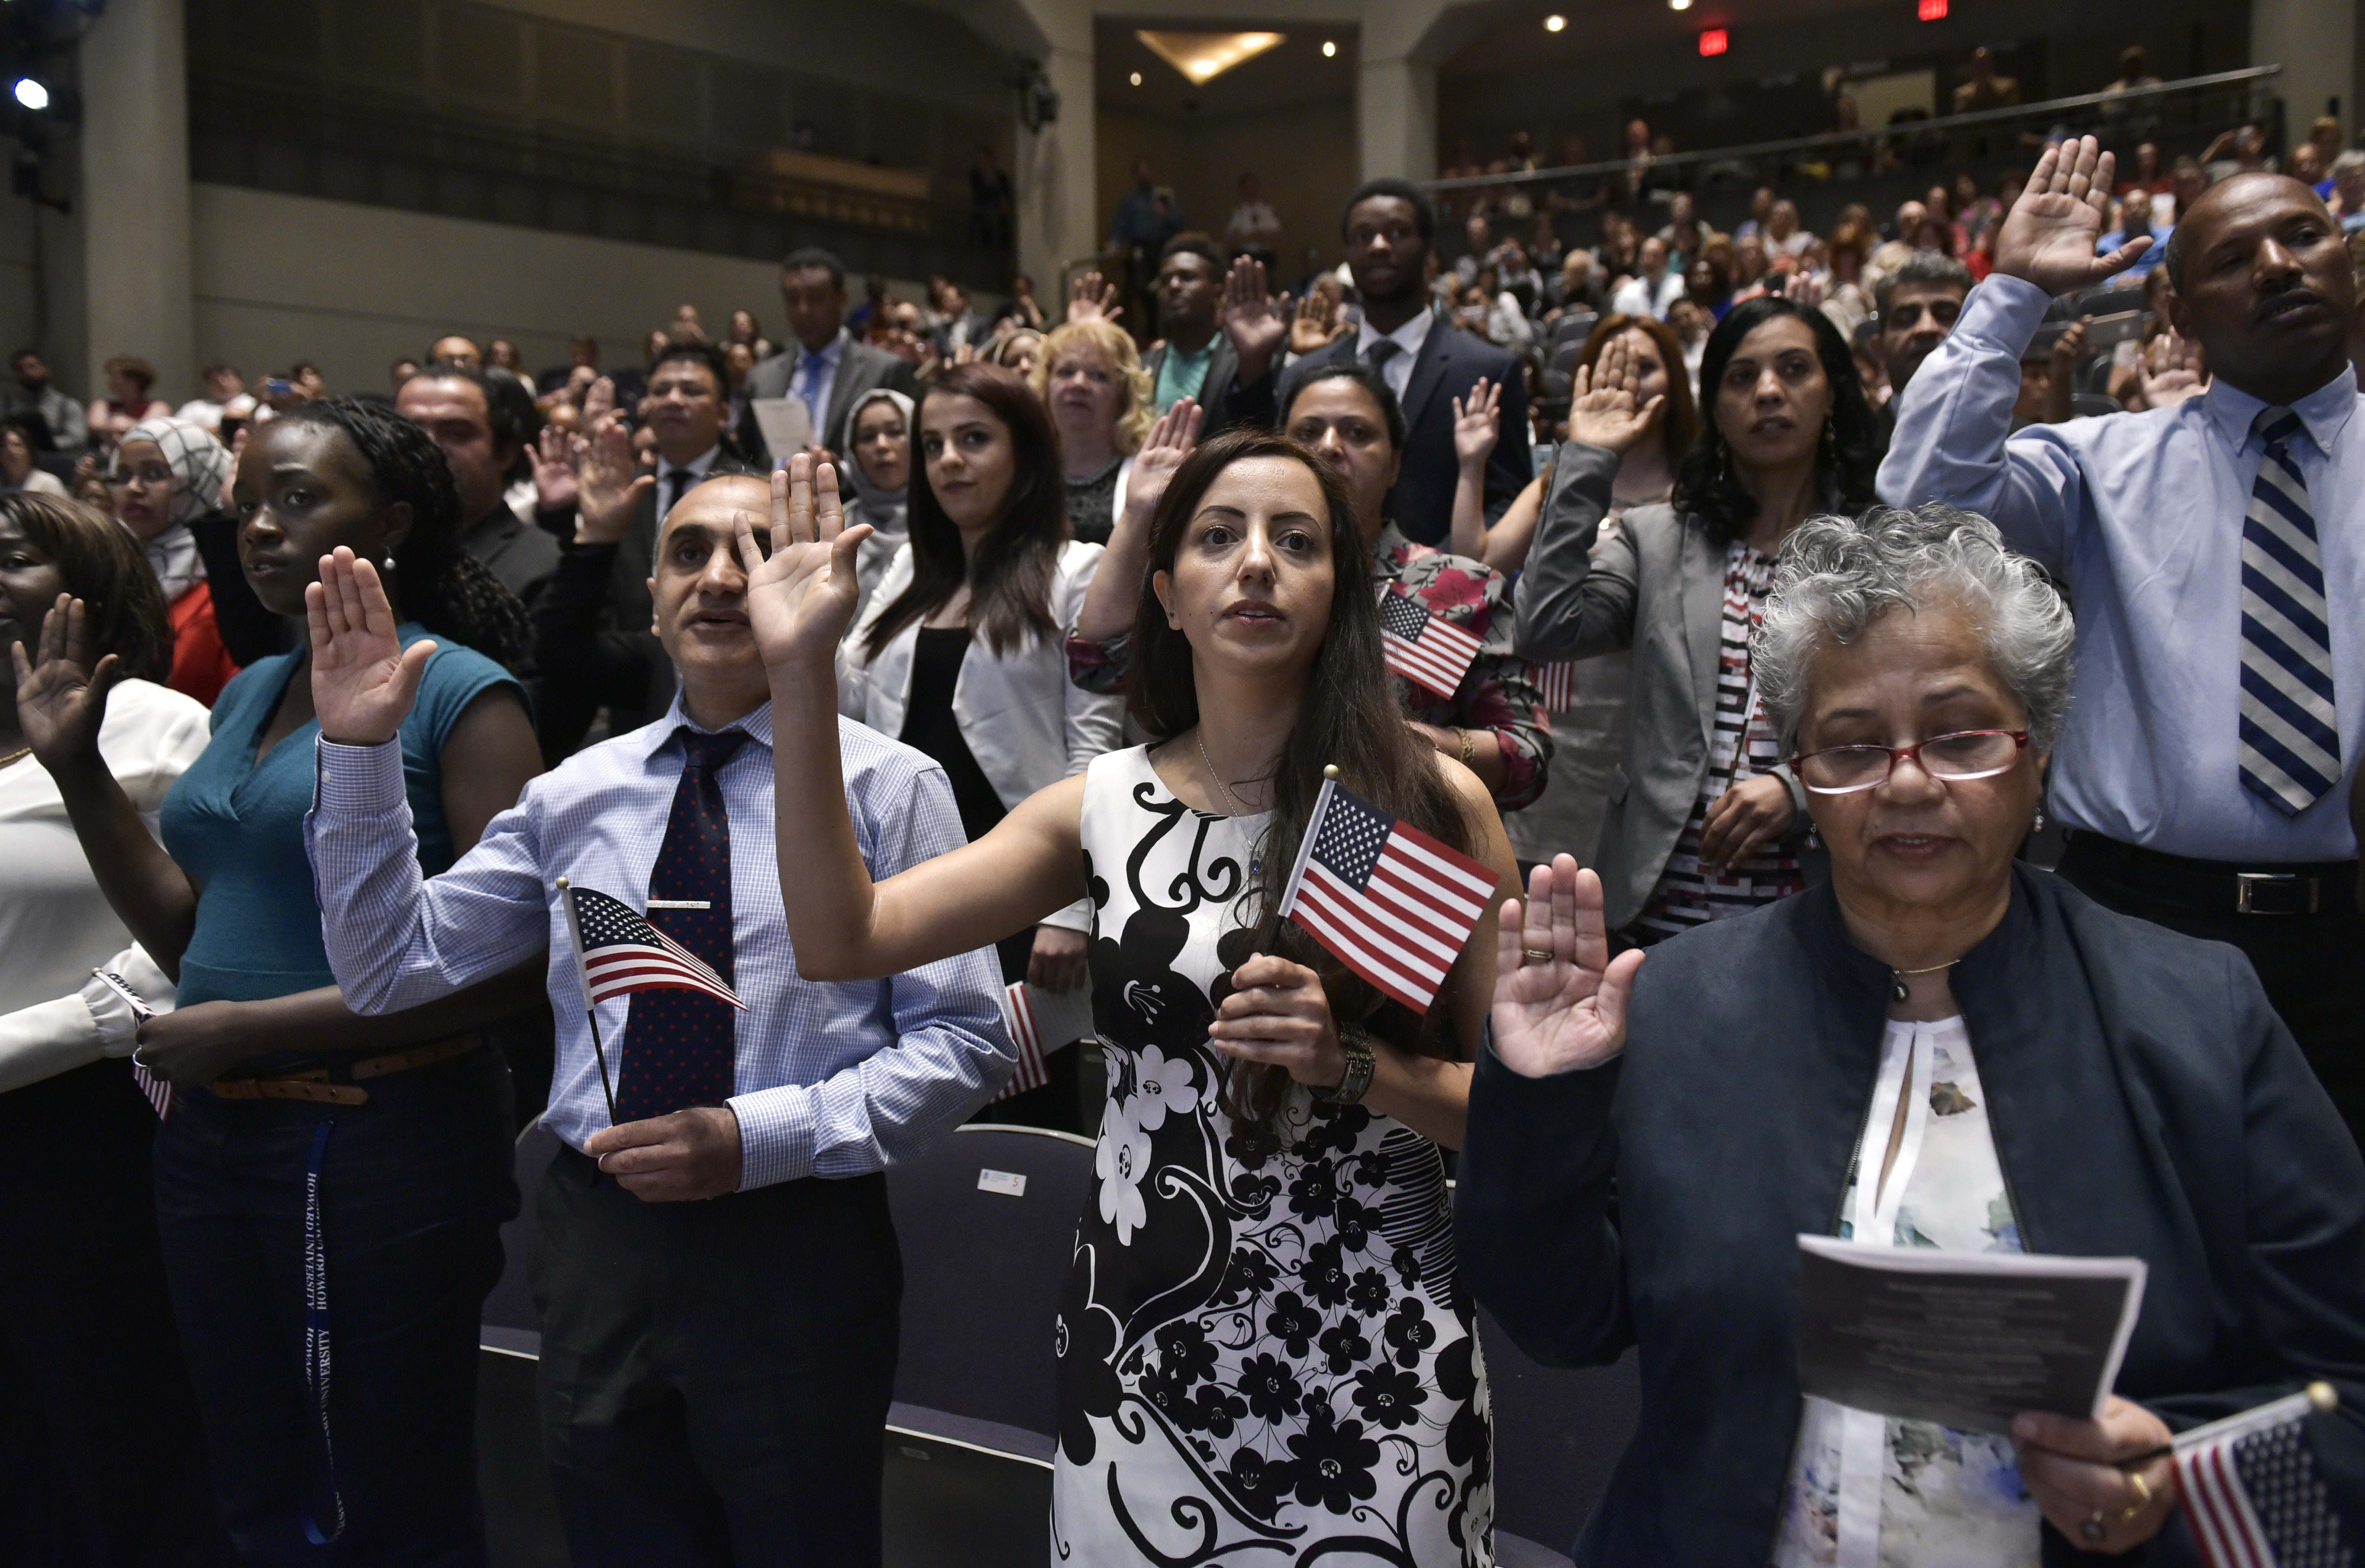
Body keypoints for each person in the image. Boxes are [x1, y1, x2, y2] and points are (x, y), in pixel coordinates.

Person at [1460, 503, 2365, 1566]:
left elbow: (2344, 1393)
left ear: (2037, 751)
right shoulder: (1683, 1001)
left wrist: (2172, 1471)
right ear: (1804, 775)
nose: (1906, 781)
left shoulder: (2200, 1013)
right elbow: (1560, 1322)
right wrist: (1539, 1096)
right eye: (1850, 746)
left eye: (1960, 734)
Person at [756, 432, 1509, 1563]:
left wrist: (1357, 1066)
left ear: (1339, 588)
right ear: (1166, 592)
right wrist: (801, 673)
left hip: (1382, 1350)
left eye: (1295, 541)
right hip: (1146, 1348)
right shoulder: (1099, 803)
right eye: (1218, 537)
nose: (1255, 562)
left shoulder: (1424, 800)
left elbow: (1525, 1113)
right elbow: (839, 935)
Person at [304, 469, 1003, 1565]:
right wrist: (355, 755)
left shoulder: (893, 788)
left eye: (760, 550)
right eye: (689, 553)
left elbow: (966, 1041)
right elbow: (391, 969)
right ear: (651, 600)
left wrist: (754, 1139)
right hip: (603, 1239)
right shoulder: (573, 795)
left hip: (795, 1234)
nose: (723, 576)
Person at [13, 397, 544, 1560]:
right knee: (248, 1477)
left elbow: (514, 962)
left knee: (382, 1488)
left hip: (381, 1133)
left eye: (301, 499)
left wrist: (253, 1029)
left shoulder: (462, 693)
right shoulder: (254, 689)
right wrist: (81, 773)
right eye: (249, 499)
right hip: (212, 1137)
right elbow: (189, 933)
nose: (260, 526)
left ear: (393, 521)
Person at [1886, 142, 2365, 1136]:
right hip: (2141, 920)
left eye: (2301, 235)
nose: (2275, 264)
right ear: (2175, 314)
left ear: (2347, 264)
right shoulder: (2096, 463)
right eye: (2232, 258)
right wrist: (2011, 291)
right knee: (2146, 1227)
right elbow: (1921, 511)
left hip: (2352, 930)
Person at [0, 492, 229, 1564]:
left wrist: (53, 1036)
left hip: (87, 1129)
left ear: (89, 586)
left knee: (109, 1443)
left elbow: (194, 929)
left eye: (8, 559)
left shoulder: (155, 723)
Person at [1516, 295, 1885, 945]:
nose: (1769, 391)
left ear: (1832, 392)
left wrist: (1798, 790)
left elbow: (1905, 713)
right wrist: (1585, 459)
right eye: (1741, 378)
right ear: (1714, 406)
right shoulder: (1657, 536)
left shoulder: (1878, 544)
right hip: (1660, 908)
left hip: (1820, 899)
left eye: (1794, 370)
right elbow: (1546, 627)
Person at [839, 365, 1123, 1128]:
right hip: (903, 887)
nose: (947, 462)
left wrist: (1070, 906)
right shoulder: (904, 570)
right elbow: (852, 717)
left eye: (973, 439)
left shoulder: (1074, 571)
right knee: (906, 1113)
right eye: (932, 444)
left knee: (1017, 1128)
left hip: (1019, 897)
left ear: (1025, 453)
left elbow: (1094, 751)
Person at [1079, 366, 1554, 814]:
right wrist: (1140, 512)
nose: (1329, 447)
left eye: (1357, 433)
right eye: (1307, 433)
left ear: (1394, 464)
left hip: (1386, 847)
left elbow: (1526, 758)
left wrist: (1423, 744)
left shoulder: (1457, 587)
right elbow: (1098, 665)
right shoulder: (1229, 576)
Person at [1495, 318, 1698, 871]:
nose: (1627, 381)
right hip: (1555, 721)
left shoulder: (1703, 494)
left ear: (1677, 382)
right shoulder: (1563, 480)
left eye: (1647, 367)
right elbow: (1489, 568)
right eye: (1613, 365)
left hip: (1645, 725)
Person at [1269, 179, 1533, 547]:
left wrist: (1429, 576)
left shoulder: (1488, 370)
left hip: (1445, 589)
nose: (1379, 246)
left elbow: (1508, 500)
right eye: (1363, 236)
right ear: (1348, 251)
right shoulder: (1303, 375)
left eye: (1397, 232)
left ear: (1428, 249)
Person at [537, 344, 761, 759]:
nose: (673, 400)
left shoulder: (758, 492)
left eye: (691, 390)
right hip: (638, 702)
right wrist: (594, 532)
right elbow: (565, 641)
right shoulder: (618, 491)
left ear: (724, 411)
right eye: (662, 390)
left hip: (742, 707)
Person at [106, 416, 283, 705]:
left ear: (199, 480)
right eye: (122, 475)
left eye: (154, 474)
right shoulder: (107, 564)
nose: (133, 488)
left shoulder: (229, 573)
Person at [397, 360, 561, 609]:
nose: (429, 448)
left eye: (458, 434)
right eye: (409, 433)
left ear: (504, 454)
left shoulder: (547, 564)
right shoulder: (366, 547)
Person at [738, 247, 921, 464]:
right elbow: (746, 457)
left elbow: (909, 457)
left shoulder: (884, 371)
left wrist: (842, 473)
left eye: (815, 298)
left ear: (842, 299)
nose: (803, 310)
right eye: (793, 300)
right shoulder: (763, 378)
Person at [1139, 235, 1288, 434]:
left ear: (1218, 294)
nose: (1174, 286)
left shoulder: (1245, 361)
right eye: (1165, 280)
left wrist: (1254, 361)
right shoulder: (1142, 365)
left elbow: (1259, 430)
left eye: (1188, 277)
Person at [1028, 318, 1153, 547]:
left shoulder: (1147, 475)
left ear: (1123, 395)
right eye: (1066, 372)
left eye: (1098, 376)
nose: (1078, 384)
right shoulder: (1022, 467)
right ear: (1046, 387)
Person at [839, 386, 914, 625]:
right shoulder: (837, 528)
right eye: (868, 437)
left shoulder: (949, 522)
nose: (882, 445)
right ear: (853, 452)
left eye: (895, 432)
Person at [1874, 252, 1975, 410]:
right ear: (1878, 349)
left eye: (1947, 316)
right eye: (1906, 319)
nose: (1926, 328)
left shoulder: (2019, 435)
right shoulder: (1856, 435)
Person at [4, 348, 89, 451]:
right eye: (21, 369)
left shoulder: (67, 405)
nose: (27, 372)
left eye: (32, 367)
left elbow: (77, 439)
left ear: (45, 369)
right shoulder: (7, 405)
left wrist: (40, 444)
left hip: (54, 460)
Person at [87, 357, 171, 454]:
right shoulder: (103, 405)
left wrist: (117, 425)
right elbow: (95, 425)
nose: (110, 381)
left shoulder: (158, 407)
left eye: (115, 376)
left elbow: (148, 429)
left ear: (134, 380)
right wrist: (123, 425)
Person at [1610, 236, 1685, 320]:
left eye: (1655, 255)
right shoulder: (1628, 291)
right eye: (1645, 255)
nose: (1649, 261)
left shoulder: (1681, 285)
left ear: (1666, 259)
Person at [175, 362, 250, 438]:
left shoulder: (253, 405)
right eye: (215, 380)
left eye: (227, 377)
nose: (222, 384)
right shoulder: (194, 408)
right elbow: (176, 432)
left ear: (240, 381)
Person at [1223, 171, 1283, 258]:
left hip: (1265, 255)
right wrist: (1254, 236)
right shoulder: (1237, 213)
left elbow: (1275, 236)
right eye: (1247, 186)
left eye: (1253, 186)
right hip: (1242, 255)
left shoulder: (1267, 211)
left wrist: (1250, 236)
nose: (1250, 190)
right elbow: (1233, 239)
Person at [2, 417, 67, 495]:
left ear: (30, 451)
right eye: (3, 446)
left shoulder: (48, 484)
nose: (10, 450)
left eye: (17, 445)